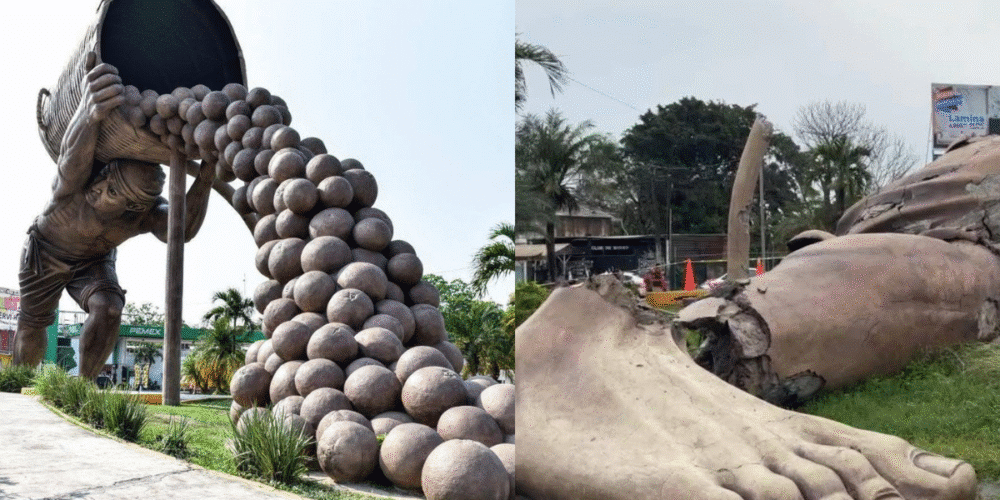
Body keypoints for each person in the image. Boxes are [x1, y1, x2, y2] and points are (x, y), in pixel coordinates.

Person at [13, 58, 215, 379]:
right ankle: (17, 383)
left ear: (136, 206)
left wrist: (205, 178)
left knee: (109, 309)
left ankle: (82, 388)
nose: (99, 189)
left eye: (114, 192)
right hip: (46, 252)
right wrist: (89, 111)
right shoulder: (75, 185)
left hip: (94, 260)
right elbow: (70, 155)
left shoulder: (141, 215)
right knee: (33, 322)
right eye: (106, 179)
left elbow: (181, 230)